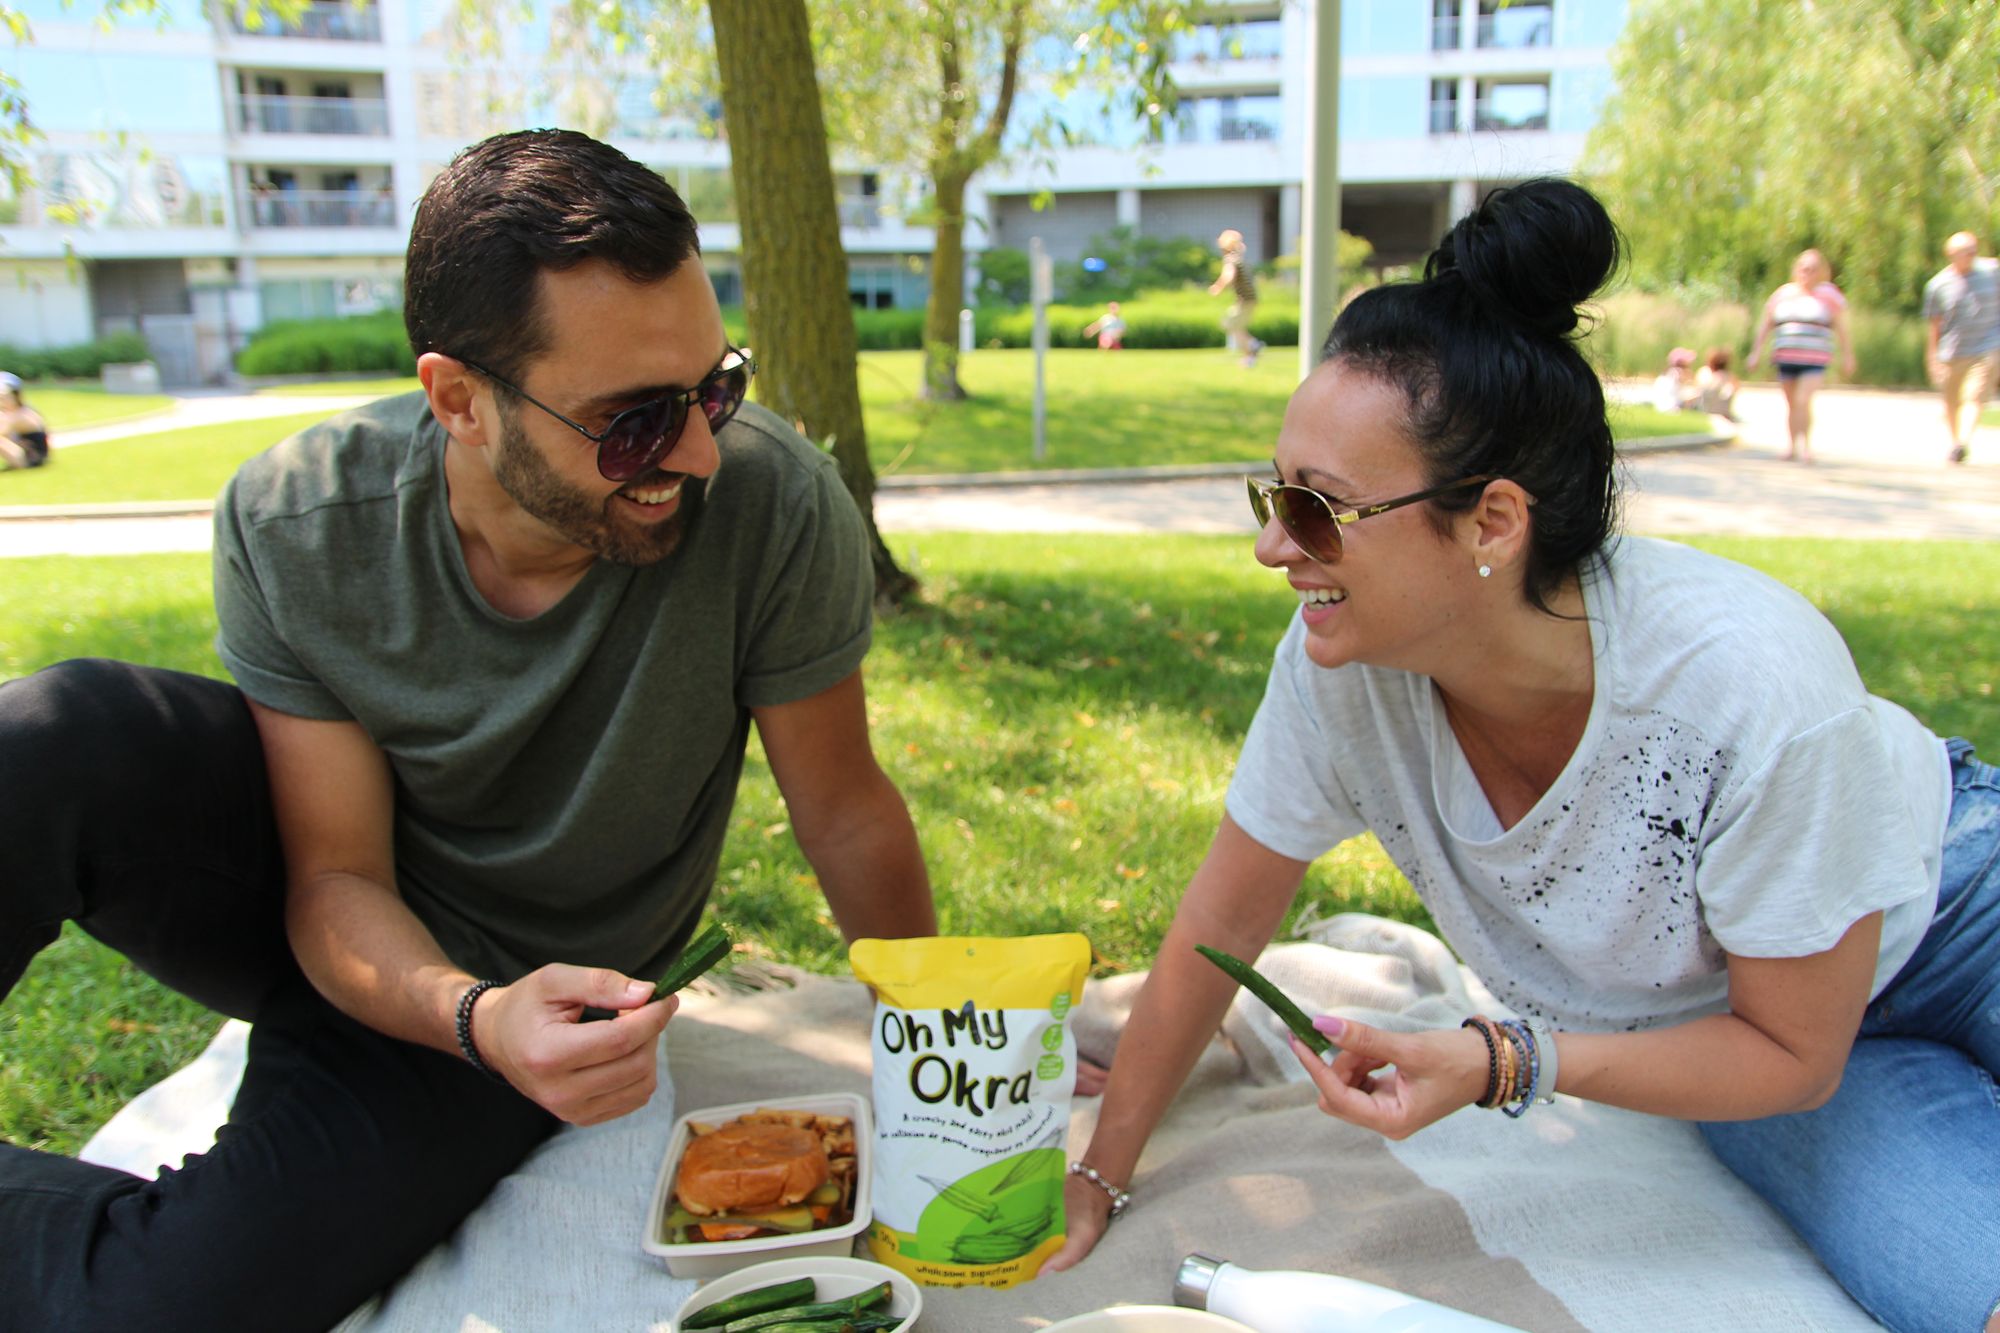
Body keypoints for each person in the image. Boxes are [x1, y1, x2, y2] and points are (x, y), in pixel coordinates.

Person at [0, 128, 936, 1332]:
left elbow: (844, 809)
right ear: (458, 399)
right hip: (331, 883)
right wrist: (459, 1008)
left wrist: (951, 1035)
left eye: (715, 386)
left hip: (522, 994)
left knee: (166, 1306)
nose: (699, 450)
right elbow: (333, 872)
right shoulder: (299, 517)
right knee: (51, 735)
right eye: (636, 418)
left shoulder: (768, 502)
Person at [1043, 179, 1997, 1333]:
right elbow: (1221, 925)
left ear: (1492, 522)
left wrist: (1503, 1059)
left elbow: (1785, 1044)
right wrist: (1098, 1172)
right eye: (1273, 494)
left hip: (1956, 908)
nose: (1267, 544)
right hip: (1767, 1038)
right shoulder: (1338, 669)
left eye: (1317, 506)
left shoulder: (1745, 687)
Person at [1747, 248, 1855, 463]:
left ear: (1821, 272)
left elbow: (1841, 327)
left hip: (1815, 358)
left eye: (1813, 269)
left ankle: (1806, 446)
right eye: (1804, 269)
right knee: (1791, 403)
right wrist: (1756, 351)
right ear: (1796, 270)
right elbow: (1766, 324)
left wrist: (1847, 355)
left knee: (1803, 399)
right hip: (1786, 356)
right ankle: (1791, 445)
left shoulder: (1829, 295)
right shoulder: (1783, 294)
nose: (1807, 273)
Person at [1921, 231, 2000, 465]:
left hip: (1988, 345)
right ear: (1951, 255)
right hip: (1952, 351)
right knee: (1951, 401)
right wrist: (1933, 358)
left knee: (1975, 396)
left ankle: (1962, 442)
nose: (1972, 254)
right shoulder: (1938, 285)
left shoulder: (1992, 273)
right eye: (1967, 251)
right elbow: (1934, 327)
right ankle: (1956, 442)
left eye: (1974, 249)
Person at [1208, 229, 1264, 368]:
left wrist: (1217, 287)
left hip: (1245, 300)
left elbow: (1229, 275)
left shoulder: (1231, 259)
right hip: (1249, 299)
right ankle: (1250, 353)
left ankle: (1252, 345)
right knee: (1236, 326)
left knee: (1231, 325)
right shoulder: (1239, 258)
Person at [0, 371, 51, 469]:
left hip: (31, 459)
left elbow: (2, 431)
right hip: (33, 456)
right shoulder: (24, 411)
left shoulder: (20, 415)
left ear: (15, 397)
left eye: (3, 398)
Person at [1695, 345, 1740, 421]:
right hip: (1724, 414)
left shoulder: (1704, 374)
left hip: (1707, 413)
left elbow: (1698, 391)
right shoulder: (1730, 378)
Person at [1650, 346, 1698, 413]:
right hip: (1671, 406)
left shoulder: (1668, 373)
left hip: (1661, 406)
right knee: (1697, 395)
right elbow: (1692, 383)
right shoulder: (1678, 372)